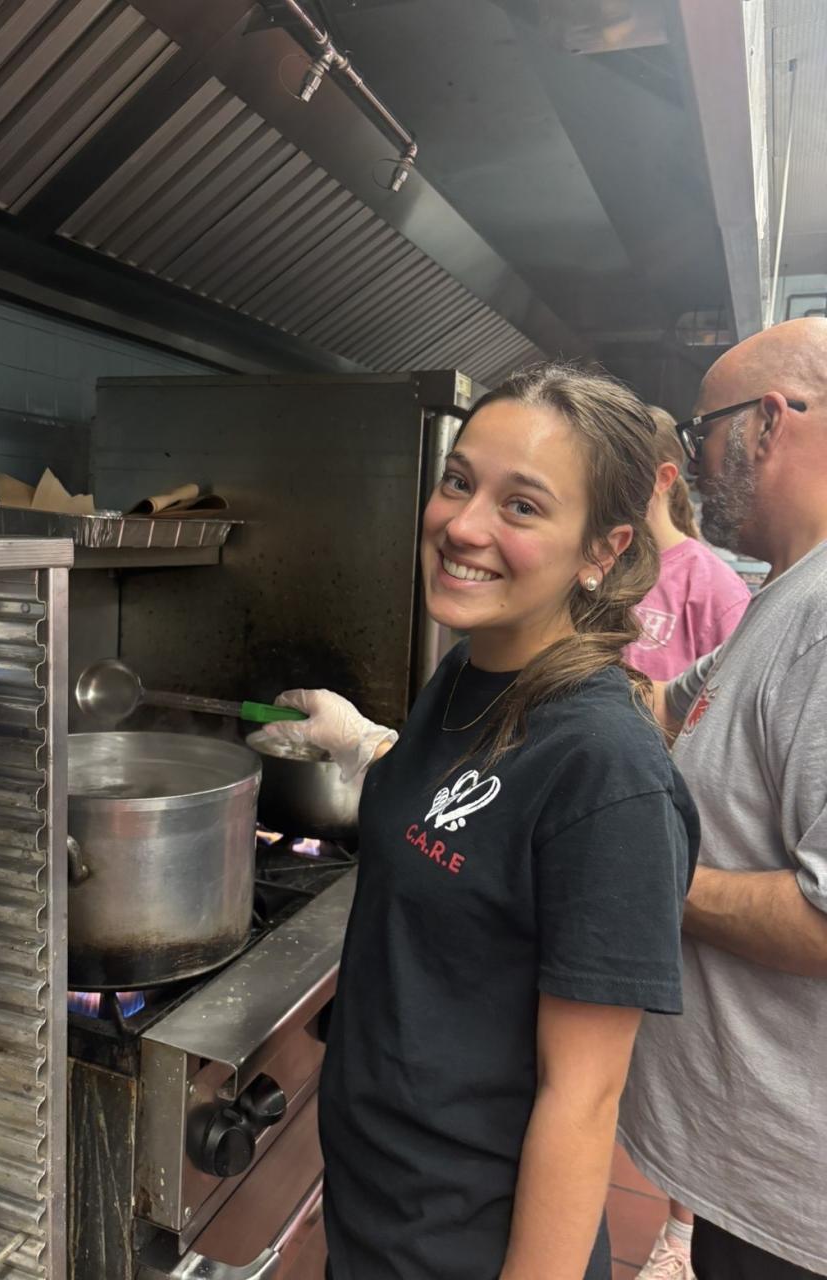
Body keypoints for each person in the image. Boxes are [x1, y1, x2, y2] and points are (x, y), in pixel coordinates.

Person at [262, 364, 699, 1280]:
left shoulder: (605, 769)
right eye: (459, 481)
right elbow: (460, 827)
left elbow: (583, 1098)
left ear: (603, 549)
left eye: (522, 506)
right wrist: (367, 747)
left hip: (465, 1247)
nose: (463, 525)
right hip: (378, 1215)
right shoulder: (468, 673)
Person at [619, 316, 827, 1280]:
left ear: (770, 423)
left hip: (797, 1214)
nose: (698, 461)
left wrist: (639, 874)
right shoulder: (786, 597)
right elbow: (659, 706)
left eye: (705, 431)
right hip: (752, 1183)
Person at [624, 407, 749, 1280]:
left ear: (662, 478)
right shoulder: (608, 566)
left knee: (679, 1034)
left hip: (673, 833)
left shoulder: (708, 580)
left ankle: (681, 1230)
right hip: (606, 819)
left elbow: (720, 714)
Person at [622, 406, 750, 682]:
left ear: (662, 478)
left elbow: (731, 691)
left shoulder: (715, 588)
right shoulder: (595, 565)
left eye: (615, 473)